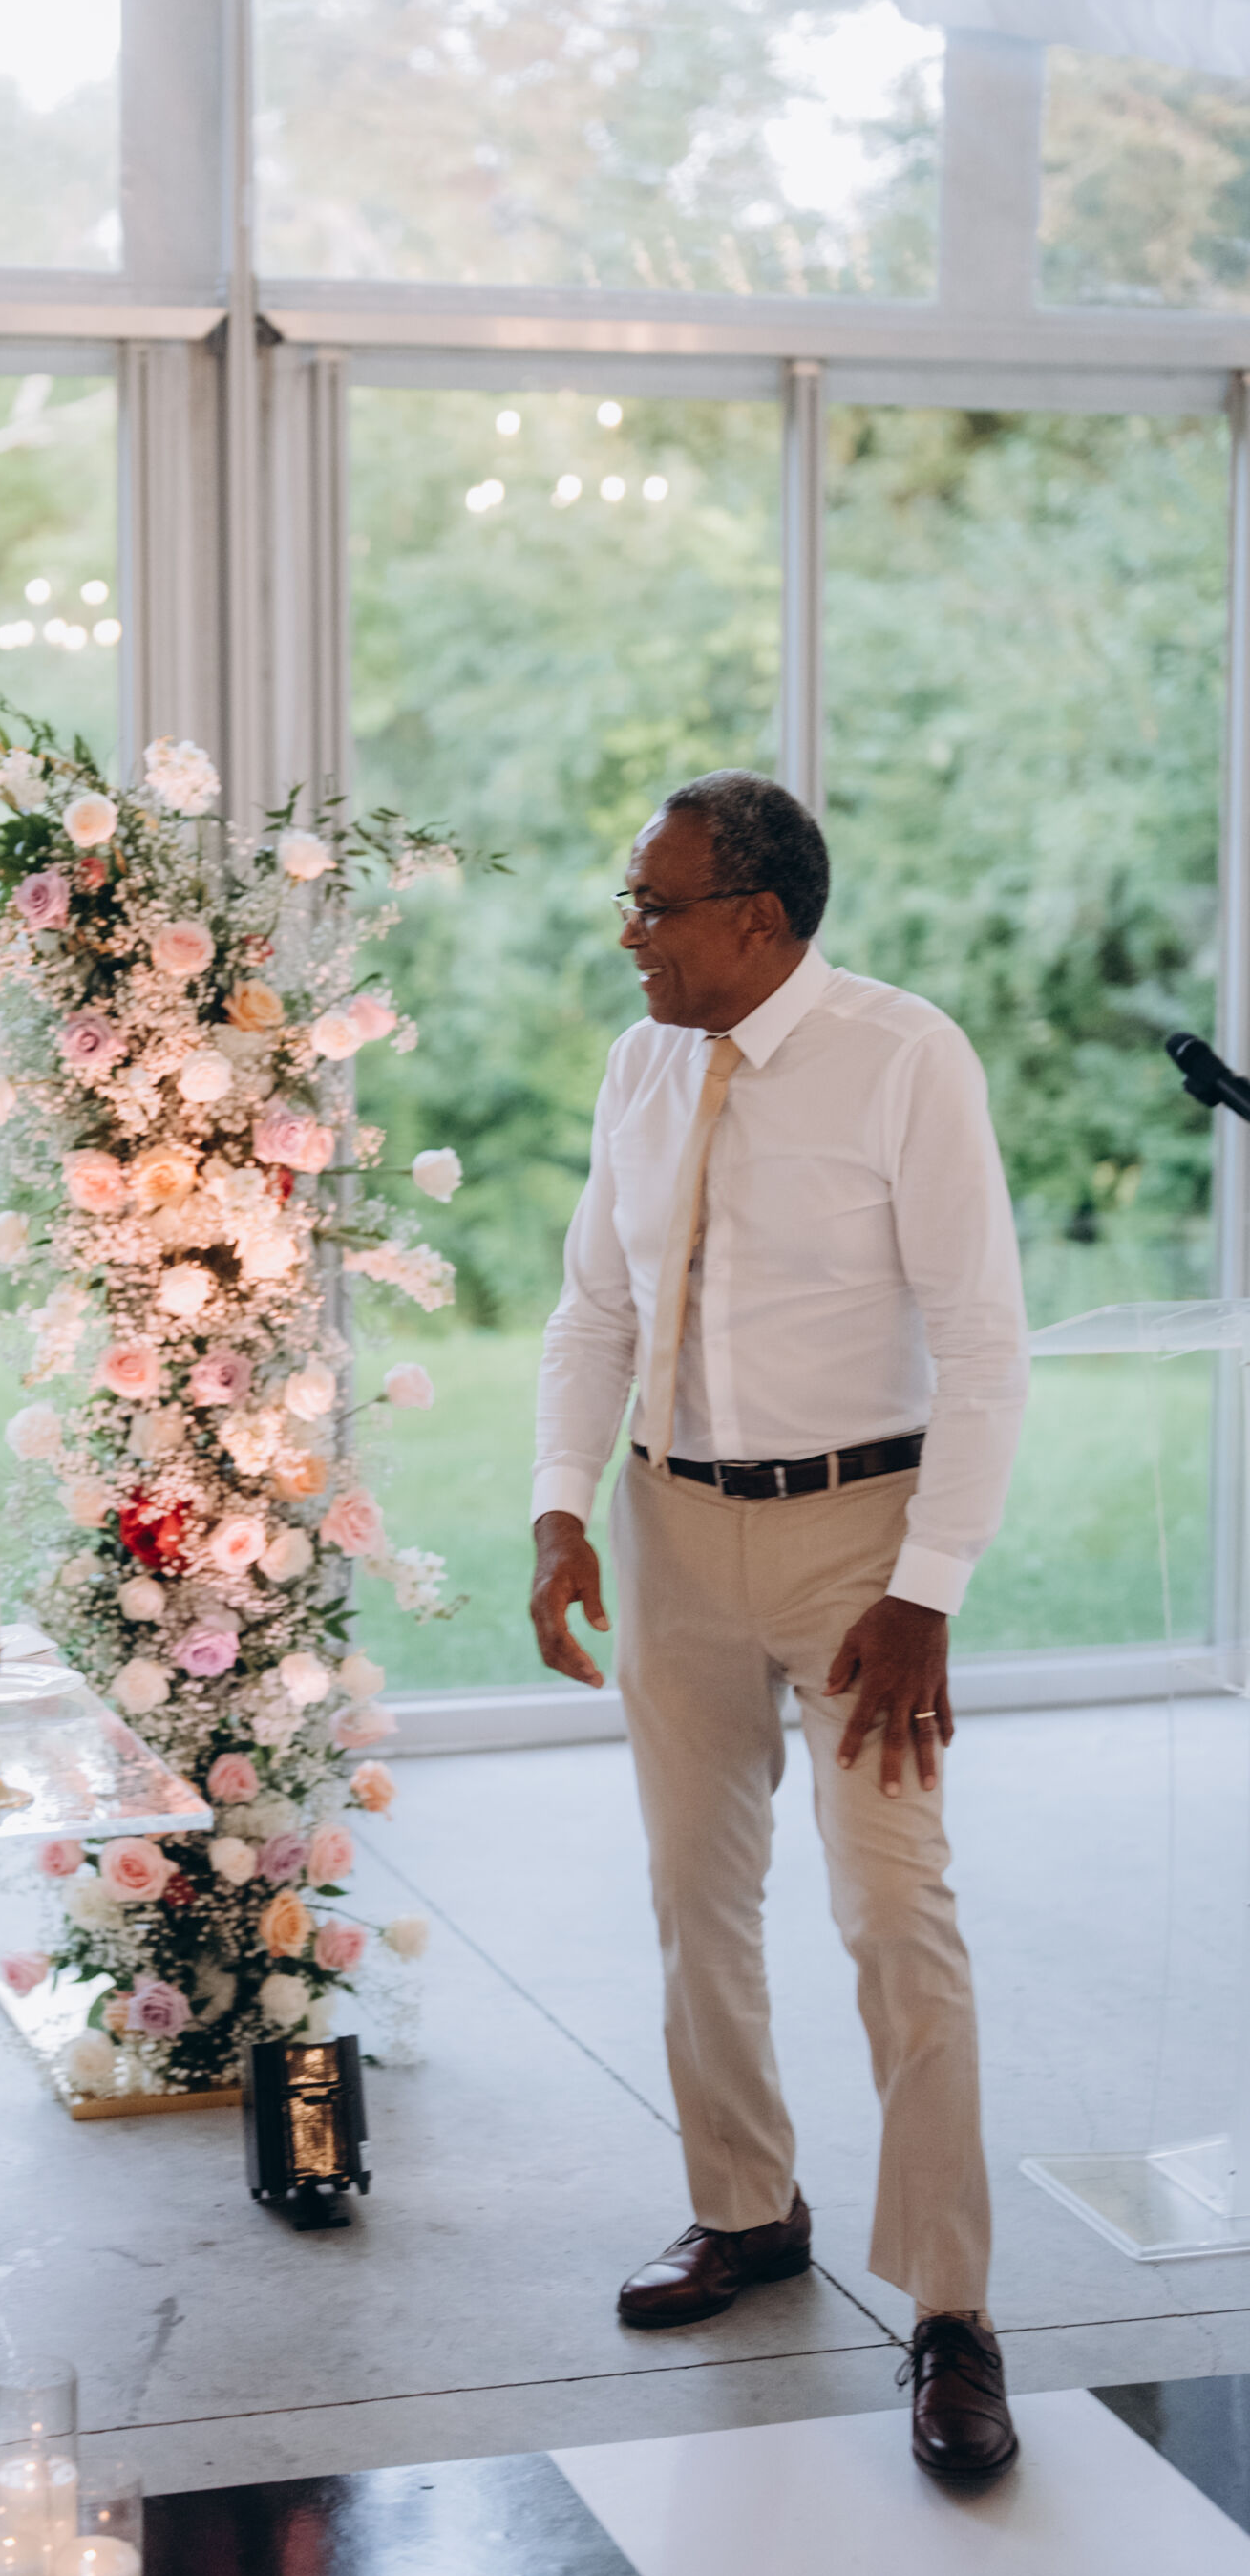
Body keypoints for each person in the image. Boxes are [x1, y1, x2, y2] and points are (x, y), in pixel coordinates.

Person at [528, 772, 1029, 2482]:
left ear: (756, 917)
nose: (631, 935)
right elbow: (594, 1307)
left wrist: (927, 1589)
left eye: (654, 905)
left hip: (858, 1547)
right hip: (670, 1526)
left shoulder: (906, 1058)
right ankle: (745, 2210)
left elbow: (986, 1341)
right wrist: (561, 1505)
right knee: (694, 1896)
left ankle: (953, 2310)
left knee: (895, 1913)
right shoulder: (642, 1064)